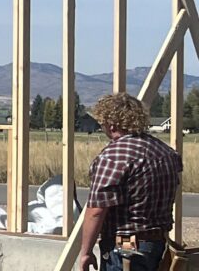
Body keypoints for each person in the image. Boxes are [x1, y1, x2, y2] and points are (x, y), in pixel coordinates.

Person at [72, 94, 181, 271]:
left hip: (126, 244)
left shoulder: (113, 157)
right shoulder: (166, 152)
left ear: (111, 124)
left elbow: (96, 211)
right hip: (159, 243)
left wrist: (86, 251)